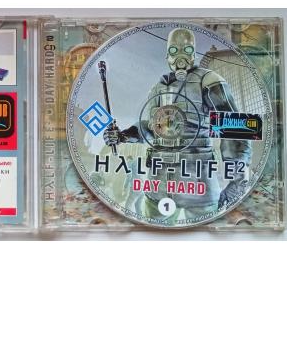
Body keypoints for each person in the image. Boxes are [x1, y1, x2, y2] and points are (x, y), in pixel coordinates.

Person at [103, 28, 251, 223]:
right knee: (151, 232)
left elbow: (235, 126)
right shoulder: (158, 87)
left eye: (187, 50)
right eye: (174, 50)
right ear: (167, 55)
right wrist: (123, 135)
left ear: (194, 52)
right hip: (158, 182)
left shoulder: (208, 80)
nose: (180, 55)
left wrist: (238, 182)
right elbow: (151, 128)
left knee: (204, 232)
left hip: (198, 181)